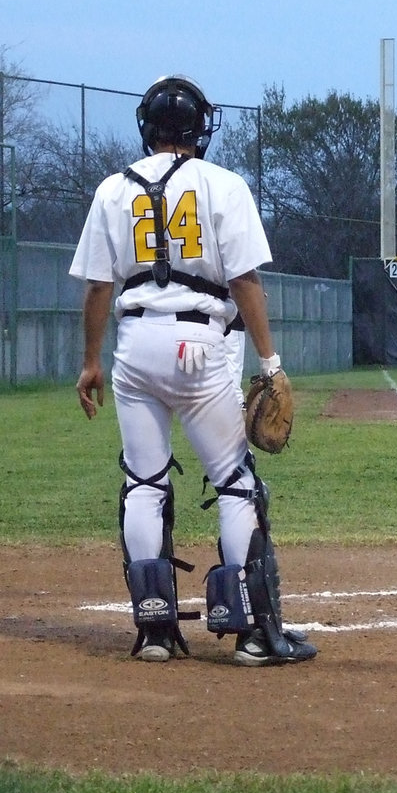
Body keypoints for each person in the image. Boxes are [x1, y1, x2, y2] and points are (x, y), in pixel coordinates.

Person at [70, 74, 317, 667]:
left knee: (144, 482)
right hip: (200, 345)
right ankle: (254, 634)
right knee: (235, 482)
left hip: (134, 346)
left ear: (148, 128)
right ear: (198, 129)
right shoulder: (222, 184)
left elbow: (100, 286)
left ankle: (155, 630)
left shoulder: (112, 189)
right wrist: (271, 362)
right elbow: (245, 281)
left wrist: (90, 361)